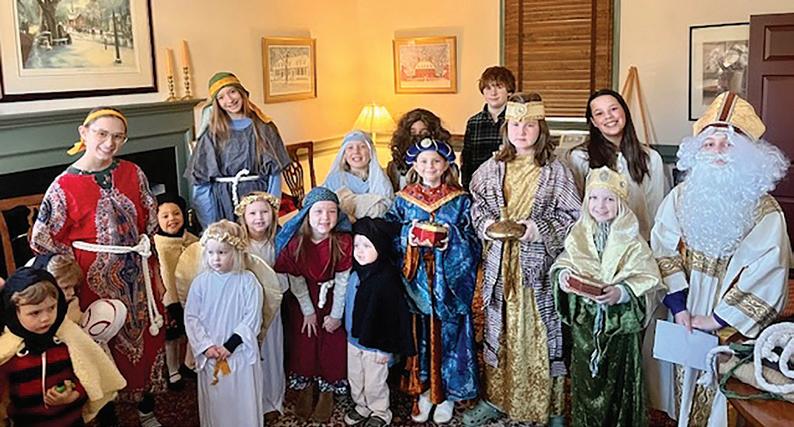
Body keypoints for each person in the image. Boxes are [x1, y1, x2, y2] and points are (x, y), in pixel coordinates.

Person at [650, 92, 790, 425]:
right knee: (683, 391)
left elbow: (769, 273)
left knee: (723, 402)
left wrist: (716, 319)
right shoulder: (681, 196)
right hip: (684, 312)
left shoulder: (765, 211)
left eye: (727, 145)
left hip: (730, 323)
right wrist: (679, 305)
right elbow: (662, 246)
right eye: (709, 145)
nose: (717, 153)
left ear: (748, 154)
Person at [31, 107, 166, 427]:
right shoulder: (63, 186)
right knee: (101, 347)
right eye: (102, 133)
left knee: (148, 339)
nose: (110, 142)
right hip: (92, 283)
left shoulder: (133, 172)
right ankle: (108, 415)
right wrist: (73, 275)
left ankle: (146, 409)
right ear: (84, 133)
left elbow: (149, 225)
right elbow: (42, 239)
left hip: (139, 274)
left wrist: (156, 272)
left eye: (118, 136)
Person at [465, 93, 580, 426]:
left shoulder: (556, 171)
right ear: (506, 129)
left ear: (541, 128)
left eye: (529, 125)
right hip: (500, 264)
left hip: (538, 268)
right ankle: (497, 399)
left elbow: (573, 217)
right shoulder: (490, 168)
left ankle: (552, 407)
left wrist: (535, 230)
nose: (522, 131)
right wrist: (489, 226)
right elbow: (477, 207)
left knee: (542, 333)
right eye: (515, 124)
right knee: (499, 329)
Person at [551, 166, 663, 426]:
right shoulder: (579, 234)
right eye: (593, 198)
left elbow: (648, 278)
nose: (600, 206)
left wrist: (622, 292)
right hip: (586, 326)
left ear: (621, 203)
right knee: (586, 380)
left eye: (609, 199)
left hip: (618, 329)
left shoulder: (632, 241)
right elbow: (564, 262)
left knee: (618, 383)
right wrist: (564, 277)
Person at [385, 138, 480, 424]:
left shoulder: (460, 199)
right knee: (420, 336)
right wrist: (409, 237)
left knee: (448, 334)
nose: (430, 166)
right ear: (415, 165)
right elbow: (390, 233)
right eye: (424, 161)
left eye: (436, 161)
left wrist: (452, 240)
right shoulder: (404, 198)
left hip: (448, 283)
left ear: (446, 165)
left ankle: (447, 393)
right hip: (416, 283)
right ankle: (424, 390)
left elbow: (474, 239)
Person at [0, 267, 126, 426]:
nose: (45, 318)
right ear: (14, 312)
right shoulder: (7, 352)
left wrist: (75, 393)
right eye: (35, 313)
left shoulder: (69, 339)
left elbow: (89, 375)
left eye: (51, 308)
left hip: (72, 421)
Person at [274, 187, 353, 422]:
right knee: (305, 339)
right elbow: (296, 279)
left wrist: (336, 314)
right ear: (307, 214)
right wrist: (308, 310)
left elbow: (343, 282)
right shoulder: (296, 243)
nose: (325, 218)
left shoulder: (343, 242)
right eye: (318, 212)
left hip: (333, 298)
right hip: (304, 298)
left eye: (331, 212)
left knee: (332, 341)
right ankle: (306, 385)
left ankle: (328, 388)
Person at [184, 220, 264, 427]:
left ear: (235, 252)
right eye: (211, 253)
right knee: (217, 402)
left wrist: (230, 345)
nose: (215, 258)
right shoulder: (200, 283)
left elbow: (252, 317)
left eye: (222, 252)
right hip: (211, 354)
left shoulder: (248, 281)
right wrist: (206, 346)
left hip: (239, 354)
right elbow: (192, 317)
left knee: (242, 400)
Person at [187, 72, 291, 228]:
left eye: (232, 91)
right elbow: (201, 183)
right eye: (221, 97)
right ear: (216, 103)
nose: (229, 100)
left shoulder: (264, 128)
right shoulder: (212, 134)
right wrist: (211, 223)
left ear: (242, 92)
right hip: (223, 203)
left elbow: (274, 176)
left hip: (257, 201)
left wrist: (270, 209)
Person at [567, 89, 665, 240]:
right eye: (599, 113)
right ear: (594, 122)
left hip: (639, 243)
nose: (608, 116)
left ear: (624, 111)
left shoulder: (651, 158)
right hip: (595, 243)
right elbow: (576, 207)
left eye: (613, 109)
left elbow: (655, 207)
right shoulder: (580, 157)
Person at [343, 217, 414, 427]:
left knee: (374, 382)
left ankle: (380, 411)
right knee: (355, 377)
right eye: (357, 245)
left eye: (367, 246)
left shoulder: (387, 280)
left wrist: (385, 350)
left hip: (375, 345)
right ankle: (362, 406)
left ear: (380, 247)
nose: (360, 251)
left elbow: (392, 317)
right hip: (353, 340)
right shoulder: (355, 274)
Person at [234, 191, 288, 423]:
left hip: (271, 306)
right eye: (253, 213)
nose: (259, 218)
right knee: (249, 352)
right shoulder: (239, 245)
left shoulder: (278, 241)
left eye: (264, 212)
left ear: (273, 214)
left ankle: (272, 399)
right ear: (244, 217)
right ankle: (250, 400)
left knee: (272, 352)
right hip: (245, 309)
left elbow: (284, 273)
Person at [153, 193, 199, 390]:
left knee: (192, 331)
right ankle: (172, 370)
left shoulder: (193, 240)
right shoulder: (157, 244)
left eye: (176, 213)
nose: (171, 219)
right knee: (172, 336)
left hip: (191, 294)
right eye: (165, 216)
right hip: (169, 297)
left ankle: (189, 363)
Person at [461, 65, 516, 189]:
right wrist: (466, 187)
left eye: (499, 87)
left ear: (509, 91)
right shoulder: (473, 122)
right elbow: (467, 160)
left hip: (510, 186)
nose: (493, 93)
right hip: (479, 186)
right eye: (488, 87)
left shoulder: (516, 121)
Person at [323, 130, 394, 220]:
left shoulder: (380, 179)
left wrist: (351, 204)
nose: (356, 151)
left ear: (370, 153)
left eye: (362, 147)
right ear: (344, 155)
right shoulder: (334, 179)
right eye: (350, 147)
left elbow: (386, 209)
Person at [387, 109, 452, 192]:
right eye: (412, 133)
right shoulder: (395, 167)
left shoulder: (444, 165)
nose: (418, 138)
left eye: (424, 133)